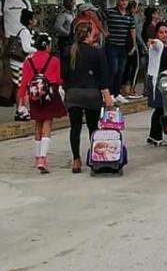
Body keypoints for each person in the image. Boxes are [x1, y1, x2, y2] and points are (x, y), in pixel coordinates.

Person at [62, 21, 114, 174]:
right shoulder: (97, 52)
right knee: (93, 127)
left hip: (73, 93)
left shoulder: (68, 51)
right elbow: (103, 77)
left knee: (75, 128)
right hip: (92, 93)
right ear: (90, 35)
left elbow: (63, 74)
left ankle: (76, 160)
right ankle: (95, 156)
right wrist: (108, 96)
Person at [18, 34, 67, 173]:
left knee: (38, 123)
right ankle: (42, 158)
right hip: (49, 94)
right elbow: (58, 80)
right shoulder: (54, 60)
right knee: (47, 123)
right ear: (46, 45)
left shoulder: (29, 61)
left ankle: (37, 155)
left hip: (34, 94)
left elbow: (24, 82)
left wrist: (21, 100)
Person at [146, 22, 167, 146]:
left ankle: (154, 135)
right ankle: (155, 136)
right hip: (156, 80)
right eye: (161, 32)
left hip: (165, 81)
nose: (164, 35)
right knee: (160, 108)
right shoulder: (158, 45)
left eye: (166, 32)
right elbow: (154, 44)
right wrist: (152, 42)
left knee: (161, 109)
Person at [104, 0, 137, 104]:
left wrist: (134, 44)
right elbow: (100, 19)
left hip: (123, 46)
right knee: (113, 69)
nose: (124, 3)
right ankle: (110, 93)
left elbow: (132, 30)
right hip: (112, 44)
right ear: (118, 1)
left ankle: (117, 93)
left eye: (126, 1)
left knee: (121, 71)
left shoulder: (129, 16)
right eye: (122, 0)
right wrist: (104, 31)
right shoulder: (110, 12)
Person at [10, 9, 38, 121]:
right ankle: (20, 110)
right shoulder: (25, 32)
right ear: (30, 21)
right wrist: (37, 50)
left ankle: (20, 109)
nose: (36, 21)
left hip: (17, 63)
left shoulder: (24, 31)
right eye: (34, 18)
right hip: (19, 64)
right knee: (21, 87)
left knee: (20, 87)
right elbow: (26, 48)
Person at [121, 0, 143, 99]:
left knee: (126, 67)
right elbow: (137, 33)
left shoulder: (124, 17)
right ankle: (132, 89)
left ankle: (124, 88)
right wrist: (141, 45)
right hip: (132, 44)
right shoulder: (133, 18)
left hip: (125, 44)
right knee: (135, 67)